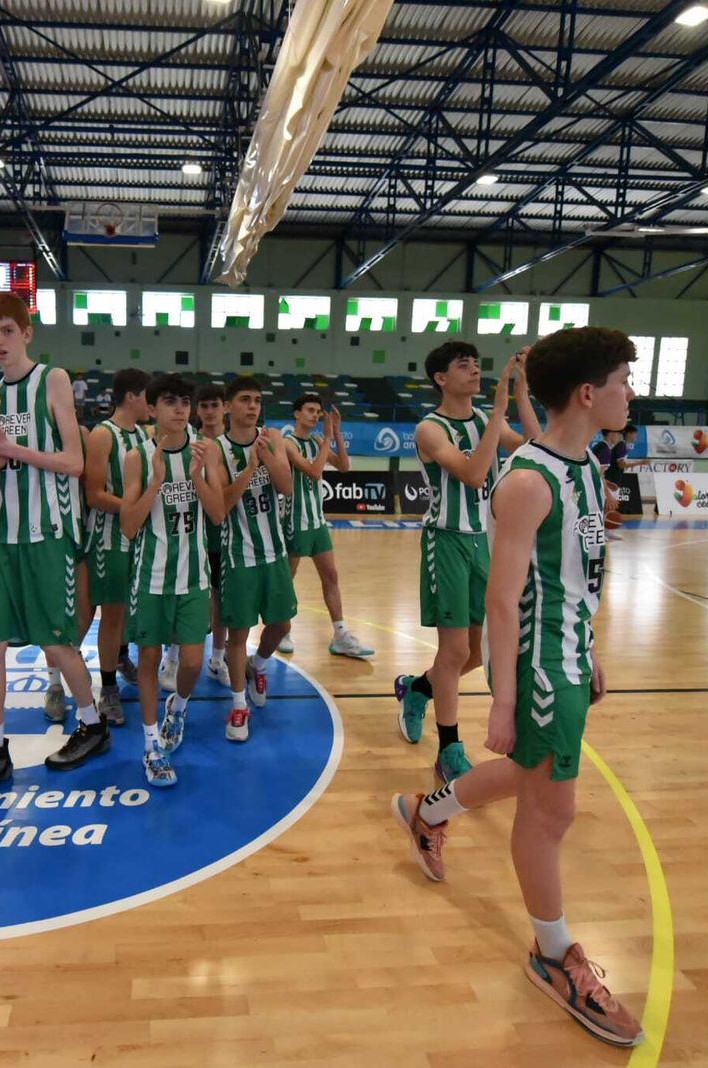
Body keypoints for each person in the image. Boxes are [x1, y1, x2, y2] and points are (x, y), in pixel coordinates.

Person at [391, 326, 644, 1048]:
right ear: (588, 393)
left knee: (533, 775)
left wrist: (590, 645)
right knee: (551, 812)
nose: (631, 393)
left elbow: (577, 576)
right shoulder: (529, 480)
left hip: (569, 655)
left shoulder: (585, 466)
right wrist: (502, 699)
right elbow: (502, 602)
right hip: (537, 667)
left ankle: (428, 812)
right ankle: (553, 953)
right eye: (623, 381)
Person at [0, 293, 102, 804]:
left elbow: (74, 462)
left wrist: (9, 448)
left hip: (48, 532)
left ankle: (93, 724)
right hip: (4, 534)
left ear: (26, 333)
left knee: (56, 641)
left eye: (6, 330)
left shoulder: (52, 380)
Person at [395, 344, 540, 790]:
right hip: (447, 541)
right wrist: (496, 413)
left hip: (484, 542)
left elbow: (536, 447)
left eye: (477, 363)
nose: (475, 370)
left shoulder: (483, 418)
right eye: (464, 365)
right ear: (441, 378)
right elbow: (474, 474)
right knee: (455, 651)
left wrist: (520, 393)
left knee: (479, 653)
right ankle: (448, 750)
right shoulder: (430, 428)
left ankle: (419, 689)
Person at [119, 373, 226, 785]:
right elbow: (129, 526)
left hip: (194, 577)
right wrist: (155, 484)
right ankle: (151, 745)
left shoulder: (206, 450)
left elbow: (217, 513)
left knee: (193, 662)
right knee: (148, 661)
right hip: (151, 577)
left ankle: (177, 708)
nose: (180, 409)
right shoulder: (137, 456)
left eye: (185, 402)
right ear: (152, 408)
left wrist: (196, 477)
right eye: (170, 402)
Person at [215, 376, 296, 742]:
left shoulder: (272, 437)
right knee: (238, 634)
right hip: (238, 555)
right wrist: (249, 468)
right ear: (228, 406)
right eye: (245, 399)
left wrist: (267, 457)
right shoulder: (217, 449)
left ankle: (258, 665)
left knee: (281, 625)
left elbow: (286, 486)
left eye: (257, 400)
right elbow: (221, 505)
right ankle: (237, 705)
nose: (252, 406)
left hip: (274, 551)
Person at [74, 368, 153, 726]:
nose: (151, 404)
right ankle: (107, 688)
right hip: (107, 538)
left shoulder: (144, 435)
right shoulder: (103, 435)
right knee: (110, 614)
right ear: (132, 396)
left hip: (136, 537)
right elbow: (93, 495)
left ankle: (120, 658)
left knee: (126, 612)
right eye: (148, 396)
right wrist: (135, 509)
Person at [277, 394, 373, 658]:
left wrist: (337, 433)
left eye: (318, 412)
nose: (314, 415)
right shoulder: (287, 443)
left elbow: (343, 466)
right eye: (309, 410)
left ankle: (340, 634)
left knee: (331, 577)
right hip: (294, 521)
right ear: (297, 414)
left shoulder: (318, 441)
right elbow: (313, 471)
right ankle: (282, 630)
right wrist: (327, 439)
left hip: (317, 522)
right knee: (287, 580)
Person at [195, 383, 231, 685]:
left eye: (214, 405)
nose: (209, 411)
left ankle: (217, 659)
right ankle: (174, 657)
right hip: (190, 535)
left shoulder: (233, 444)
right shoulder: (187, 442)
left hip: (224, 534)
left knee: (220, 600)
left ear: (225, 408)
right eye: (204, 406)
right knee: (187, 597)